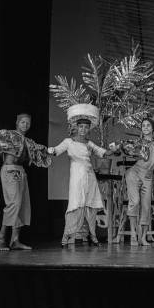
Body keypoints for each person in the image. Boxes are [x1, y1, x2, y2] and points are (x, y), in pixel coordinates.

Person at [48, 104, 117, 246]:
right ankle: (66, 236)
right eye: (81, 127)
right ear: (76, 127)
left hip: (89, 176)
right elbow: (56, 150)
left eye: (86, 127)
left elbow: (104, 153)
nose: (83, 130)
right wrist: (50, 150)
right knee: (76, 204)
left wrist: (115, 149)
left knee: (91, 205)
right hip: (77, 176)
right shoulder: (69, 142)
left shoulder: (89, 144)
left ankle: (93, 235)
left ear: (88, 129)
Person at [0, 113, 51, 251]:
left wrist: (43, 149)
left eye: (28, 123)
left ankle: (15, 241)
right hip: (10, 170)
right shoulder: (8, 134)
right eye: (22, 122)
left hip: (21, 172)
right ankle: (1, 238)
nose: (25, 125)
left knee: (22, 205)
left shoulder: (29, 142)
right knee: (14, 203)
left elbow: (44, 160)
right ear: (17, 122)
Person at [120, 118, 154, 246]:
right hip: (134, 173)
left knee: (146, 206)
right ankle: (133, 234)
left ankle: (143, 237)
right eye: (143, 125)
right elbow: (126, 148)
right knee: (135, 201)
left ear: (152, 128)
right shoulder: (138, 142)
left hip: (148, 177)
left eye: (148, 125)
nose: (145, 127)